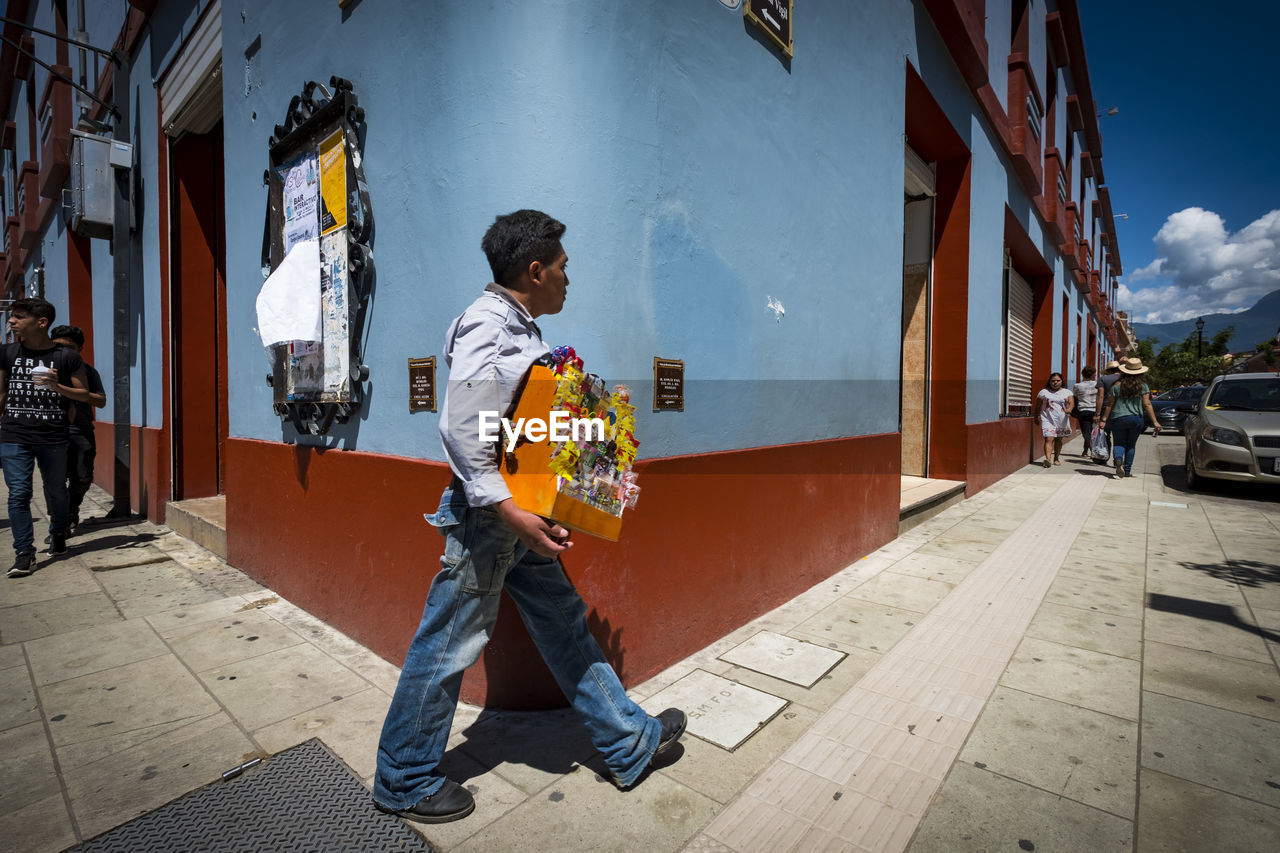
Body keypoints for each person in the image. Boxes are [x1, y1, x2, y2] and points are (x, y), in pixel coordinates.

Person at [373, 210, 685, 824]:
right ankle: (403, 777)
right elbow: (462, 430)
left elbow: (522, 426)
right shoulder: (489, 328)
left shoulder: (516, 327)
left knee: (564, 624)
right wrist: (515, 514)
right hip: (491, 519)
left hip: (515, 516)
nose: (570, 279)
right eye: (563, 268)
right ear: (534, 269)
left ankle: (627, 742)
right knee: (449, 641)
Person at [1, 298, 88, 577]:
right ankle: (24, 553)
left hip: (53, 434)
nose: (11, 321)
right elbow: (1, 393)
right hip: (14, 432)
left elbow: (84, 395)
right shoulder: (7, 352)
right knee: (19, 493)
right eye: (11, 316)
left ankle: (59, 532)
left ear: (41, 322)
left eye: (18, 317)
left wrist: (56, 385)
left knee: (55, 490)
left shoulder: (66, 357)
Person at [48, 325, 106, 529]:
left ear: (80, 349)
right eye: (58, 346)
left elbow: (100, 401)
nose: (64, 352)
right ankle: (59, 523)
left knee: (82, 477)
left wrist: (69, 391)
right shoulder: (43, 372)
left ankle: (71, 509)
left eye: (70, 348)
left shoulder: (88, 371)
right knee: (53, 480)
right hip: (50, 431)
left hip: (80, 430)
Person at [1097, 356, 1162, 478]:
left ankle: (1118, 460)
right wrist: (1155, 422)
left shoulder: (1116, 385)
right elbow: (1147, 404)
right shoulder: (1143, 386)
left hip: (1118, 418)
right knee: (1131, 445)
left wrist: (1103, 419)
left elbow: (1110, 405)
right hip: (1136, 419)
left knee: (1119, 443)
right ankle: (1127, 471)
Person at [1034, 372, 1073, 467]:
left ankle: (1056, 458)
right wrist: (1036, 417)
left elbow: (1071, 403)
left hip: (1062, 420)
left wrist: (1069, 409)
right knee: (1049, 438)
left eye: (1057, 381)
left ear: (1061, 381)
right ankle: (1048, 459)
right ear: (1049, 382)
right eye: (1053, 381)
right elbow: (1038, 406)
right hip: (1048, 419)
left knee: (1059, 440)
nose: (1055, 383)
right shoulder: (1043, 392)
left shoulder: (1067, 392)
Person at [1072, 366, 1100, 457]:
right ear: (1093, 375)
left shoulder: (1077, 386)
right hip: (1095, 411)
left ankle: (1091, 450)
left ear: (1082, 374)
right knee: (1090, 432)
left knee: (1086, 433)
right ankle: (1085, 451)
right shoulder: (1098, 384)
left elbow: (1075, 397)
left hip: (1083, 410)